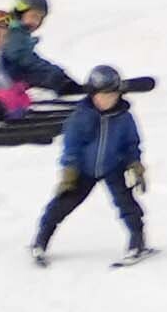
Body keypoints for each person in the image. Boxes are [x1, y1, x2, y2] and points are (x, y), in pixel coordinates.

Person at [31, 70, 148, 264]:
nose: (107, 100)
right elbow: (72, 145)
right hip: (84, 170)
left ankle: (137, 242)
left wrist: (134, 163)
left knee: (128, 205)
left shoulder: (124, 117)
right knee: (62, 204)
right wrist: (69, 171)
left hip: (114, 168)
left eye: (112, 95)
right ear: (92, 95)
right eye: (102, 95)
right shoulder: (80, 117)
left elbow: (131, 143)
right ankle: (41, 240)